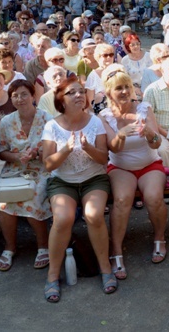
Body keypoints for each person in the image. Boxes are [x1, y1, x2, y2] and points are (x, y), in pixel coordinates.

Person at [41, 76, 115, 302]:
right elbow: (47, 164)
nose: (79, 95)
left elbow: (104, 158)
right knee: (63, 219)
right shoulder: (51, 126)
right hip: (62, 181)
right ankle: (52, 275)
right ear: (61, 100)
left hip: (94, 179)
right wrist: (65, 151)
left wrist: (87, 148)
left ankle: (105, 269)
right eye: (72, 92)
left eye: (81, 91)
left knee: (94, 215)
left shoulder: (95, 122)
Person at [99, 70, 167, 279]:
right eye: (118, 88)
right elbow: (114, 150)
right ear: (109, 93)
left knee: (154, 198)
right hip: (120, 167)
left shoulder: (144, 109)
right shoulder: (105, 116)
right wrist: (120, 135)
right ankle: (117, 250)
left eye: (127, 86)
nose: (124, 91)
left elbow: (157, 143)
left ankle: (159, 237)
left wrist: (149, 133)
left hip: (149, 163)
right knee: (121, 199)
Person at [0, 80, 52, 271]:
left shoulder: (47, 119)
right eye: (15, 95)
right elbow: (2, 151)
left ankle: (42, 245)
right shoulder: (7, 121)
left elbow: (54, 151)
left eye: (24, 94)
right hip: (14, 169)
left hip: (42, 168)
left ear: (33, 96)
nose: (20, 99)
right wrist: (17, 156)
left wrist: (37, 154)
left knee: (32, 196)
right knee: (5, 201)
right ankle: (10, 247)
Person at [85, 43, 118, 114]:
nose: (109, 57)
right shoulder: (93, 76)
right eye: (105, 55)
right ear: (98, 57)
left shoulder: (119, 71)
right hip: (100, 113)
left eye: (111, 55)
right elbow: (89, 102)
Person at [120, 32, 152, 96]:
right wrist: (134, 89)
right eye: (133, 45)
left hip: (150, 88)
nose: (136, 46)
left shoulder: (149, 56)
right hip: (133, 90)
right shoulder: (125, 60)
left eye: (138, 44)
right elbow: (125, 79)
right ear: (128, 47)